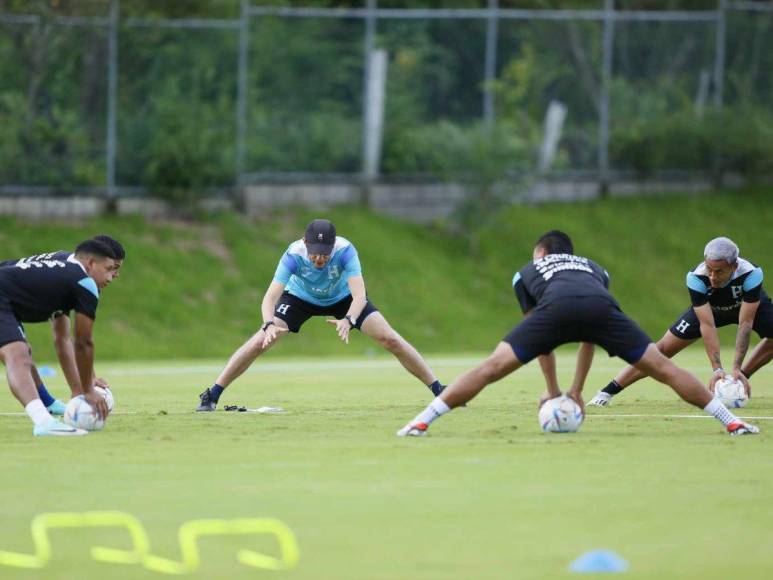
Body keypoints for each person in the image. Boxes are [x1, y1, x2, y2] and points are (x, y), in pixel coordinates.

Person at [397, 230, 759, 437]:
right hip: (600, 308)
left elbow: (543, 345)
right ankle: (732, 422)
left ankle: (422, 420)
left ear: (540, 253)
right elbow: (589, 337)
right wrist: (576, 392)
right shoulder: (594, 267)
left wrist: (555, 391)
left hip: (554, 307)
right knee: (663, 368)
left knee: (491, 368)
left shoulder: (525, 272)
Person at [195, 218, 446, 411]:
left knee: (389, 338)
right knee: (261, 341)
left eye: (324, 253)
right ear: (306, 243)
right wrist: (268, 323)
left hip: (342, 298)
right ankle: (213, 394)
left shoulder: (346, 251)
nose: (319, 258)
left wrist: (349, 319)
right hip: (300, 297)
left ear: (332, 245)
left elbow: (359, 295)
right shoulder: (293, 255)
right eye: (315, 252)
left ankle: (439, 390)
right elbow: (270, 297)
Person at [589, 237, 771, 407]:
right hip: (711, 310)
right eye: (710, 269)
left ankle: (738, 379)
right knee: (660, 350)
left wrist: (736, 367)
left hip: (746, 307)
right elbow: (707, 325)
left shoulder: (751, 273)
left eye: (719, 271)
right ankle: (606, 393)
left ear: (734, 266)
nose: (713, 276)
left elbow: (745, 322)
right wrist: (717, 369)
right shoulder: (696, 278)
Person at [0, 238, 121, 436]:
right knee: (18, 355)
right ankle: (44, 422)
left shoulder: (63, 270)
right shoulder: (84, 283)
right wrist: (88, 391)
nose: (114, 276)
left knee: (22, 353)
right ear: (90, 263)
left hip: (6, 297)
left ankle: (48, 405)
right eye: (110, 268)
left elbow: (63, 339)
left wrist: (82, 386)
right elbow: (82, 342)